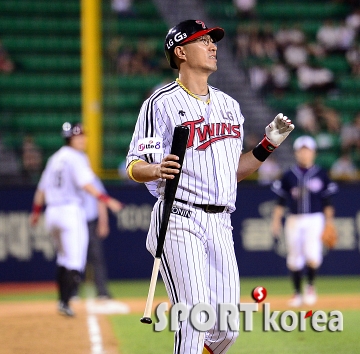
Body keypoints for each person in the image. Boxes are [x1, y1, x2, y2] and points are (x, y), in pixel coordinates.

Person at [125, 20, 294, 354]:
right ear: (181, 51)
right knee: (193, 320)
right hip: (179, 218)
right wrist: (156, 168)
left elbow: (231, 173)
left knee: (227, 329)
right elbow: (134, 164)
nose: (213, 45)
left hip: (220, 222)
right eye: (203, 40)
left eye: (213, 40)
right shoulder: (159, 102)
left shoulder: (229, 105)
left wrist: (267, 146)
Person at [30, 122, 122, 317]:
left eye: (83, 135)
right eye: (78, 136)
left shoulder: (54, 158)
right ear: (70, 138)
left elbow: (41, 189)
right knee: (75, 262)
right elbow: (86, 184)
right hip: (70, 211)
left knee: (63, 259)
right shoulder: (77, 157)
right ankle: (65, 301)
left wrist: (36, 212)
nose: (83, 139)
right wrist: (107, 200)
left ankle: (63, 301)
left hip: (52, 212)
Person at [271, 136, 338, 308]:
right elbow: (280, 202)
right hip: (294, 219)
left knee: (312, 256)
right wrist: (276, 221)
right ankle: (296, 293)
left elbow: (328, 202)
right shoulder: (288, 175)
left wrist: (329, 222)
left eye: (307, 150)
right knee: (294, 258)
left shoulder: (321, 174)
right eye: (301, 150)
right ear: (296, 153)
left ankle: (310, 287)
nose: (304, 153)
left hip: (315, 218)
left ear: (313, 153)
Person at [82, 176, 113, 299]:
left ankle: (102, 292)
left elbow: (101, 200)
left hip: (91, 223)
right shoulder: (70, 177)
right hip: (75, 223)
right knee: (75, 259)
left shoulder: (92, 178)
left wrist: (103, 222)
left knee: (96, 258)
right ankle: (71, 292)